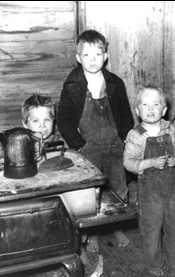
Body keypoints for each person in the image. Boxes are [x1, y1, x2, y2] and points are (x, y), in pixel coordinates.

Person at [57, 29, 134, 250]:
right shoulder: (72, 85)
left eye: (98, 54)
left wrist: (125, 139)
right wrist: (79, 145)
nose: (93, 60)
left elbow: (125, 115)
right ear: (78, 58)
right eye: (87, 55)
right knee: (91, 192)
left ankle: (117, 226)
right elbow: (64, 120)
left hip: (115, 145)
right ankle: (93, 234)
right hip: (89, 147)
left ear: (105, 56)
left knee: (118, 187)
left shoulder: (115, 83)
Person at [123, 86, 175, 276]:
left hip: (174, 190)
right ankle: (153, 263)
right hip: (150, 193)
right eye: (145, 104)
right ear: (137, 111)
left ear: (164, 110)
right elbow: (128, 163)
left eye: (156, 104)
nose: (150, 109)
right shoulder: (135, 135)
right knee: (151, 229)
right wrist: (149, 162)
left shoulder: (170, 130)